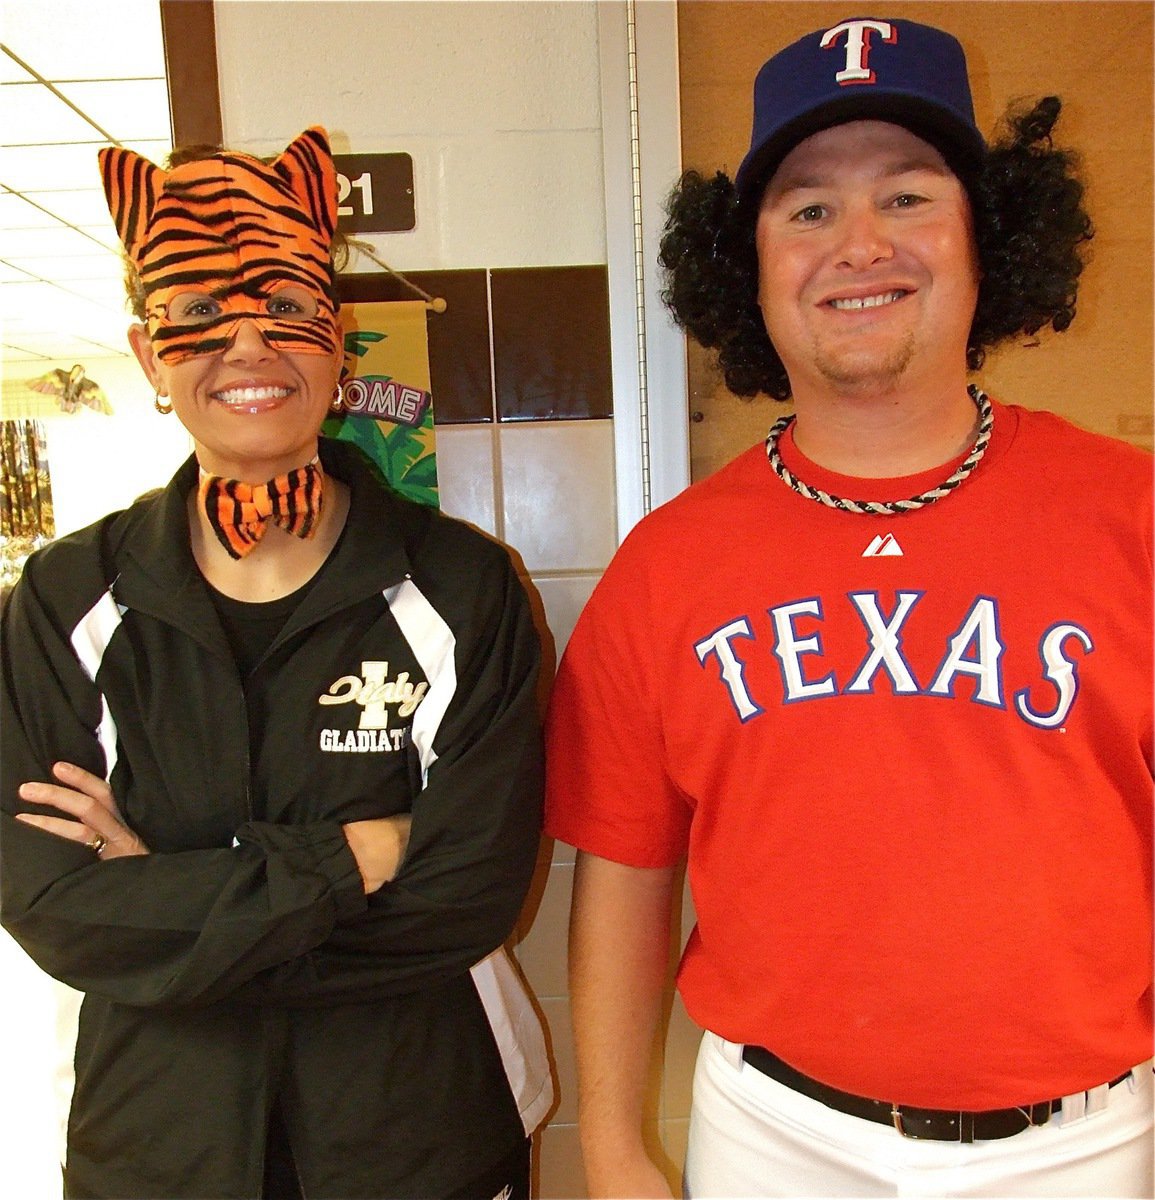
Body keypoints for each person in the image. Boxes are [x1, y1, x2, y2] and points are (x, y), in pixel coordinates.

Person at [545, 16, 1152, 1199]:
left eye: (911, 197)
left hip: (1088, 1144)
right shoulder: (666, 564)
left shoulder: (1133, 515)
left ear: (990, 239)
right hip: (776, 1138)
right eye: (809, 208)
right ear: (749, 260)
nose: (859, 245)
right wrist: (617, 1149)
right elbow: (625, 871)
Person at [1, 126, 553, 1199]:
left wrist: (173, 905)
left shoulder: (464, 586)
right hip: (158, 1146)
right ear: (149, 349)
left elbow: (467, 894)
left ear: (336, 338)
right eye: (200, 314)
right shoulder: (63, 602)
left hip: (417, 1136)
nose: (246, 346)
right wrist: (355, 853)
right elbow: (53, 907)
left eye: (285, 306)